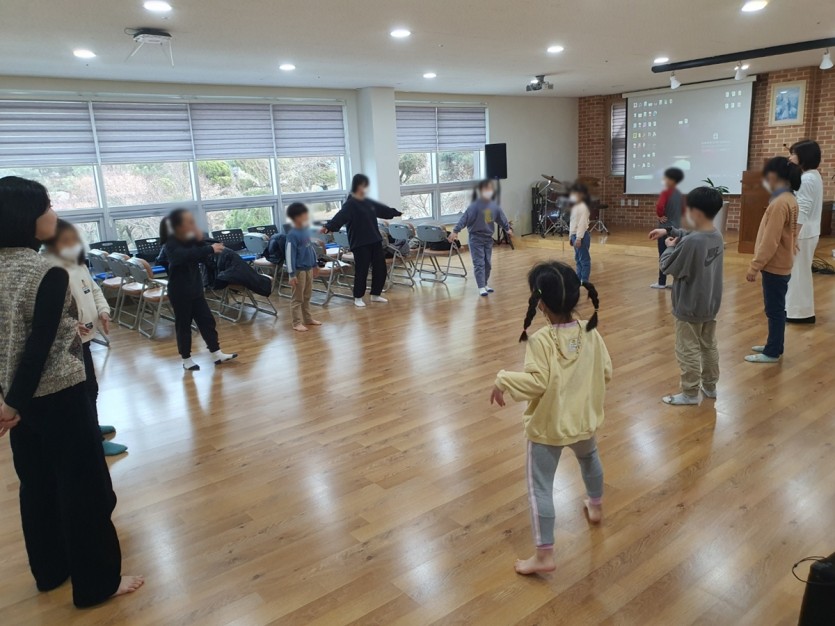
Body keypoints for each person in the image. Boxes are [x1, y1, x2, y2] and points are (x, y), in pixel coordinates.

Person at [0, 176, 143, 607]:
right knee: (84, 488)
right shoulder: (46, 271)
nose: (54, 214)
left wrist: (8, 402)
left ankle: (50, 570)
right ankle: (97, 583)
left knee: (37, 485)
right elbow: (41, 346)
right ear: (26, 216)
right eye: (47, 206)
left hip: (16, 398)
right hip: (59, 394)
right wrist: (12, 404)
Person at [491, 261, 612, 575]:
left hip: (548, 428)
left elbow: (536, 383)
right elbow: (606, 371)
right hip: (583, 422)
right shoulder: (590, 331)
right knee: (590, 459)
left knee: (541, 488)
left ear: (540, 303)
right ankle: (595, 506)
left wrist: (503, 379)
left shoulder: (541, 340)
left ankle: (544, 555)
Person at [42, 220, 127, 455]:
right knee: (83, 390)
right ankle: (92, 439)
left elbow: (94, 290)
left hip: (86, 338)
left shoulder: (77, 264)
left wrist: (103, 311)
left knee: (90, 387)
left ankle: (91, 425)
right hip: (69, 342)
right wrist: (69, 326)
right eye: (66, 240)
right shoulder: (48, 268)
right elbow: (48, 309)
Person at [648, 187, 724, 405]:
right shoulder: (715, 234)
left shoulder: (692, 242)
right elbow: (691, 234)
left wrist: (669, 247)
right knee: (708, 345)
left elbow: (667, 266)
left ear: (696, 212)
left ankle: (690, 393)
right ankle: (710, 386)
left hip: (689, 304)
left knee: (687, 348)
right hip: (709, 303)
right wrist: (668, 230)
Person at [159, 208, 238, 370]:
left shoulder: (188, 239)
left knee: (207, 321)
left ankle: (216, 353)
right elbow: (181, 257)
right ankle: (186, 359)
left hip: (195, 288)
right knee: (184, 325)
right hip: (180, 291)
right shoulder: (170, 242)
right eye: (189, 222)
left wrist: (201, 239)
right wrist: (208, 248)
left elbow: (201, 255)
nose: (192, 224)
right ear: (179, 225)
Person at [745, 157, 800, 363]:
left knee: (774, 310)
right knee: (777, 308)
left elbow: (770, 240)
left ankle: (772, 352)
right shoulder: (789, 198)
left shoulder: (779, 203)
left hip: (775, 265)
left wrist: (755, 266)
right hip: (783, 262)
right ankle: (775, 345)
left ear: (775, 176)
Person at [322, 174, 403, 308]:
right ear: (358, 185)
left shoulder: (367, 201)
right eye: (364, 185)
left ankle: (375, 294)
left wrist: (395, 213)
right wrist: (328, 227)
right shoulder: (350, 204)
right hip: (360, 243)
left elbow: (382, 210)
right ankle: (358, 297)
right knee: (362, 270)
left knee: (380, 268)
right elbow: (340, 217)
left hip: (374, 239)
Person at [449, 179, 512, 296]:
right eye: (486, 189)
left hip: (488, 239)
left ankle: (485, 283)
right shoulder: (474, 206)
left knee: (487, 263)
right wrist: (455, 231)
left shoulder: (493, 206)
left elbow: (500, 218)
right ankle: (481, 286)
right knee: (479, 263)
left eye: (490, 189)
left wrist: (507, 228)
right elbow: (464, 219)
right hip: (475, 238)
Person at [786, 140, 823, 324]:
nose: (790, 157)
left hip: (803, 232)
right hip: (808, 231)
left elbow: (803, 209)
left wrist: (793, 235)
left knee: (797, 274)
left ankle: (798, 313)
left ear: (804, 156)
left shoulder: (807, 179)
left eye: (793, 154)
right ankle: (799, 310)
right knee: (800, 273)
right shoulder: (813, 175)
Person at [285, 202, 321, 332]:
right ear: (297, 217)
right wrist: (291, 274)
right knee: (297, 298)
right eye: (304, 214)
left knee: (307, 296)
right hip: (299, 271)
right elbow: (289, 255)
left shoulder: (305, 231)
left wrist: (315, 264)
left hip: (308, 268)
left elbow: (310, 249)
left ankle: (308, 319)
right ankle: (296, 323)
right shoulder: (292, 234)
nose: (307, 216)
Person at [651, 167, 684, 289]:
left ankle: (661, 282)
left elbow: (660, 206)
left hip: (665, 228)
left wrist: (660, 216)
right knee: (677, 255)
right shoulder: (679, 194)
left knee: (663, 254)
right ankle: (676, 282)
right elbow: (683, 210)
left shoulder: (666, 193)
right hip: (678, 228)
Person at [568, 182, 592, 283]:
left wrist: (578, 238)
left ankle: (584, 279)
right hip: (575, 235)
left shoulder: (583, 207)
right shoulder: (574, 207)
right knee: (578, 258)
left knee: (584, 259)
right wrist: (571, 237)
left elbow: (582, 224)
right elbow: (573, 223)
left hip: (581, 236)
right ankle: (578, 278)